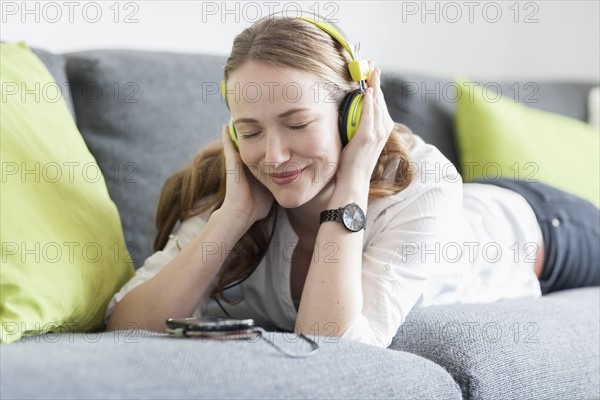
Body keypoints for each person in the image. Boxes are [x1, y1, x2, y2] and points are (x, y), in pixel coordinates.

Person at [105, 14, 600, 348]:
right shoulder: (235, 189)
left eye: (297, 124)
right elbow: (125, 326)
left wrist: (353, 178)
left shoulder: (425, 185)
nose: (273, 156)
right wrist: (232, 218)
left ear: (353, 115)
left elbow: (333, 347)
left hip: (539, 228)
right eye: (250, 131)